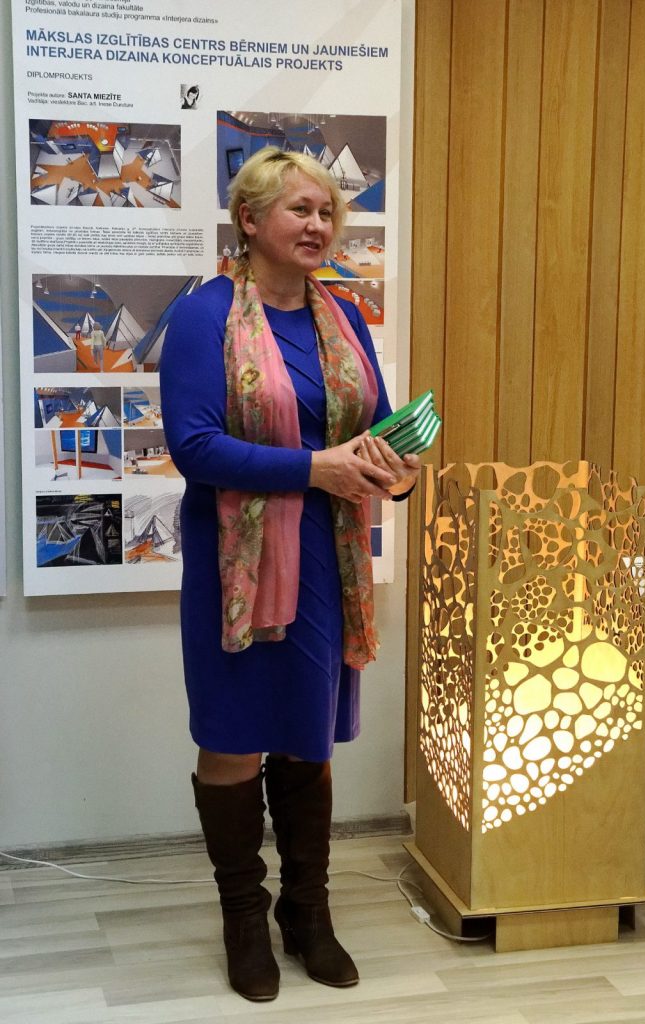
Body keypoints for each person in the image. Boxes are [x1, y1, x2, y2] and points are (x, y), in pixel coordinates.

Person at [160, 147, 420, 1003]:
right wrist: (319, 469)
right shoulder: (202, 317)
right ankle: (244, 916)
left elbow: (376, 427)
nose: (318, 225)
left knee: (307, 739)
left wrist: (396, 469)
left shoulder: (342, 316)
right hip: (236, 566)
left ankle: (308, 911)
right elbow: (196, 449)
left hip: (324, 559)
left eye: (327, 213)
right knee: (234, 736)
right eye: (300, 210)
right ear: (250, 219)